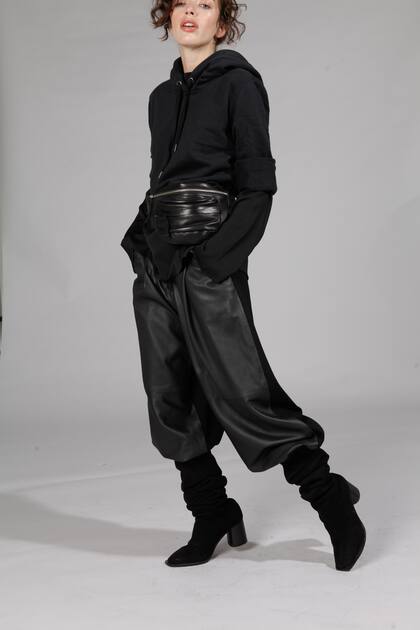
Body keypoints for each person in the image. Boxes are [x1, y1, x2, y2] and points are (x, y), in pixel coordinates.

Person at [120, 0, 366, 571]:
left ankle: (331, 498)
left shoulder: (240, 84)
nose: (191, 13)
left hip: (209, 250)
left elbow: (258, 184)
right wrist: (144, 244)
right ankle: (212, 511)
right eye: (182, 4)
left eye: (205, 5)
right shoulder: (160, 98)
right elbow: (161, 179)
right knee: (167, 394)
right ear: (167, 16)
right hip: (158, 256)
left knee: (241, 388)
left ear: (222, 22)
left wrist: (215, 259)